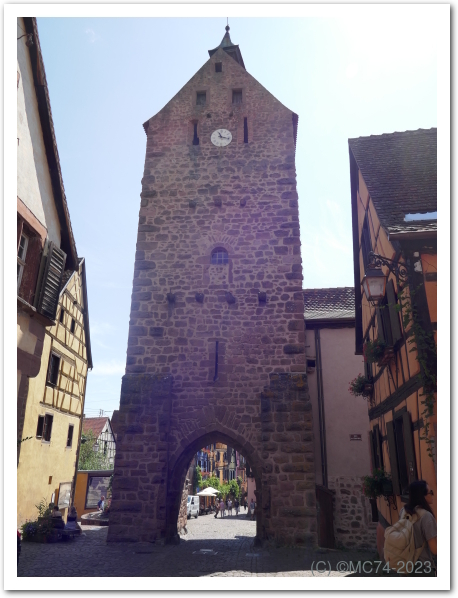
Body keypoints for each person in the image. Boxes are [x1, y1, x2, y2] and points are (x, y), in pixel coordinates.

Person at [399, 480, 437, 575]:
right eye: (431, 492)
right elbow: (434, 549)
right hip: (422, 567)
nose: (433, 495)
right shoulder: (426, 516)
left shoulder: (403, 511)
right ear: (422, 496)